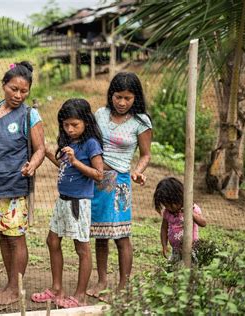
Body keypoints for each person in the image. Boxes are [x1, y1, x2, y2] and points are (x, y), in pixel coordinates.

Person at [0, 61, 45, 305]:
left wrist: (33, 165)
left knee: (15, 237)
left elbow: (40, 149)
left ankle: (16, 289)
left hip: (14, 187)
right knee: (2, 236)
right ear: (4, 85)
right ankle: (9, 283)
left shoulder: (30, 115)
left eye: (24, 91)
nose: (18, 95)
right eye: (14, 89)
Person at [31, 99, 104, 308]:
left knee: (81, 247)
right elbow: (65, 167)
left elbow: (99, 175)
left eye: (75, 125)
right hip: (63, 201)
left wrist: (76, 162)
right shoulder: (69, 143)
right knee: (52, 241)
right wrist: (46, 152)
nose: (70, 129)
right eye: (66, 125)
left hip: (78, 203)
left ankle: (80, 295)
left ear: (86, 123)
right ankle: (56, 289)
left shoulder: (91, 144)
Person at [87, 72, 152, 299]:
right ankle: (102, 280)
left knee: (121, 235)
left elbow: (145, 155)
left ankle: (123, 286)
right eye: (118, 97)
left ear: (136, 98)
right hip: (97, 180)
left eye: (127, 98)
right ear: (110, 95)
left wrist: (138, 171)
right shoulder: (100, 115)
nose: (122, 102)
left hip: (120, 183)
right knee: (100, 234)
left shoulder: (141, 121)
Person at [153, 177, 207, 262]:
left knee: (190, 269)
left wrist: (190, 213)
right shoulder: (167, 213)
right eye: (166, 205)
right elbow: (164, 228)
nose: (169, 208)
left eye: (171, 205)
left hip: (192, 250)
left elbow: (203, 223)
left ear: (178, 197)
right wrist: (164, 245)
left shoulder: (192, 208)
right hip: (176, 251)